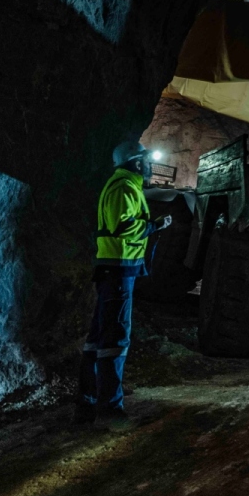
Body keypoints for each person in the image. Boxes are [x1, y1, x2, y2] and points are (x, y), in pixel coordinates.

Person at [76, 141, 171, 428]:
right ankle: (110, 411)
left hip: (115, 269)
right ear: (136, 162)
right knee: (115, 340)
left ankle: (88, 403)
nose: (149, 165)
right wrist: (155, 226)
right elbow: (124, 226)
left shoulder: (124, 185)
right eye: (146, 160)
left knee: (98, 339)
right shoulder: (124, 187)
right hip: (118, 270)